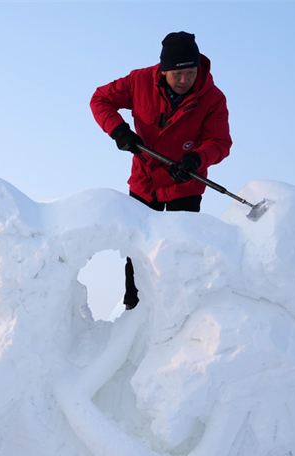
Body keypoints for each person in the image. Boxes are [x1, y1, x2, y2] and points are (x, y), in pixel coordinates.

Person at [90, 31, 232, 308]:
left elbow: (220, 142)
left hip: (185, 181)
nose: (184, 80)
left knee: (181, 248)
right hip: (145, 180)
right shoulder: (139, 81)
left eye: (190, 72)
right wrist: (119, 130)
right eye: (177, 74)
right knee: (139, 249)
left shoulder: (212, 98)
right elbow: (100, 99)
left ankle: (179, 310)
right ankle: (134, 307)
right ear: (163, 70)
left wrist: (197, 158)